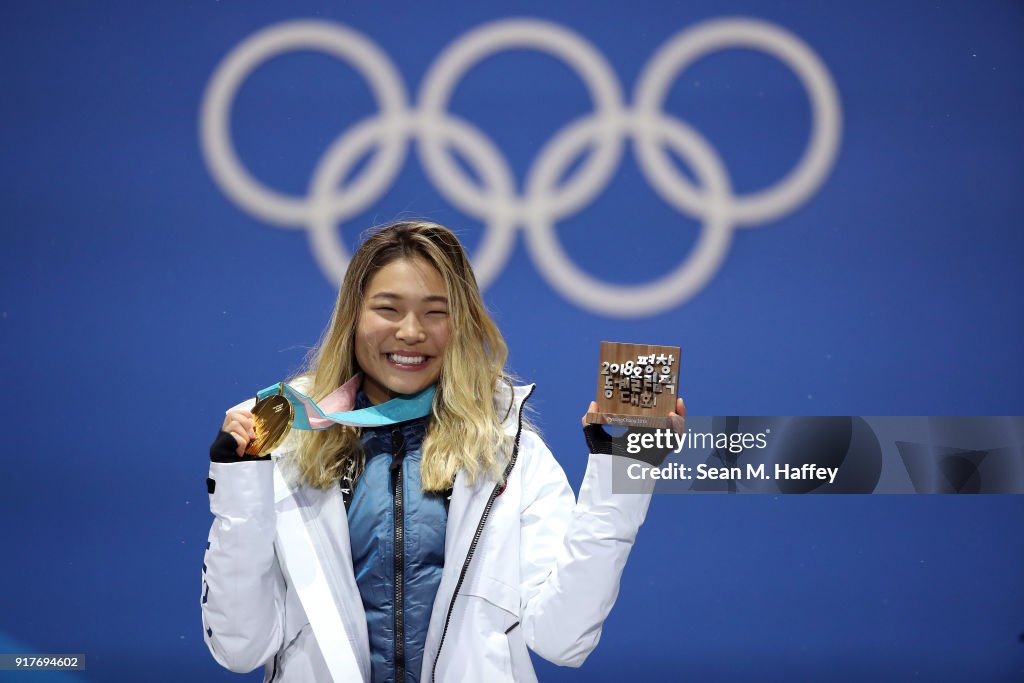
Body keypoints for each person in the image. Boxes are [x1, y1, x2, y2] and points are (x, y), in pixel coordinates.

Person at [201, 220, 685, 682]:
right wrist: (240, 487)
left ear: (463, 324)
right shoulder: (286, 447)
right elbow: (239, 647)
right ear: (352, 317)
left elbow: (564, 639)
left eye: (436, 312)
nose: (411, 332)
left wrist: (625, 476)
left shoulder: (511, 455)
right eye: (388, 309)